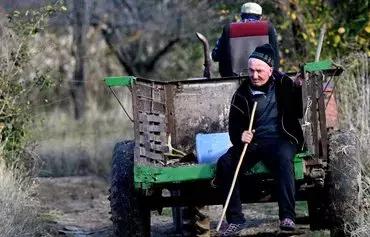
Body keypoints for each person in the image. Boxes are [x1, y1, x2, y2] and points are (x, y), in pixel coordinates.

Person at [214, 44, 304, 236]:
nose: (254, 75)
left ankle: (287, 217)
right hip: (252, 145)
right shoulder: (241, 94)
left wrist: (300, 89)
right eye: (251, 71)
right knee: (225, 164)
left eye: (259, 71)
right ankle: (236, 220)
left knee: (283, 159)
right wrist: (240, 135)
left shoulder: (284, 84)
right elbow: (233, 128)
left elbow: (298, 110)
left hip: (281, 138)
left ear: (270, 70)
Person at [212, 2, 280, 77]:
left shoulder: (229, 29)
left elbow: (215, 55)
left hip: (233, 79)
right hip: (263, 80)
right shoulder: (268, 28)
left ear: (241, 16)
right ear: (260, 17)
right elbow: (275, 57)